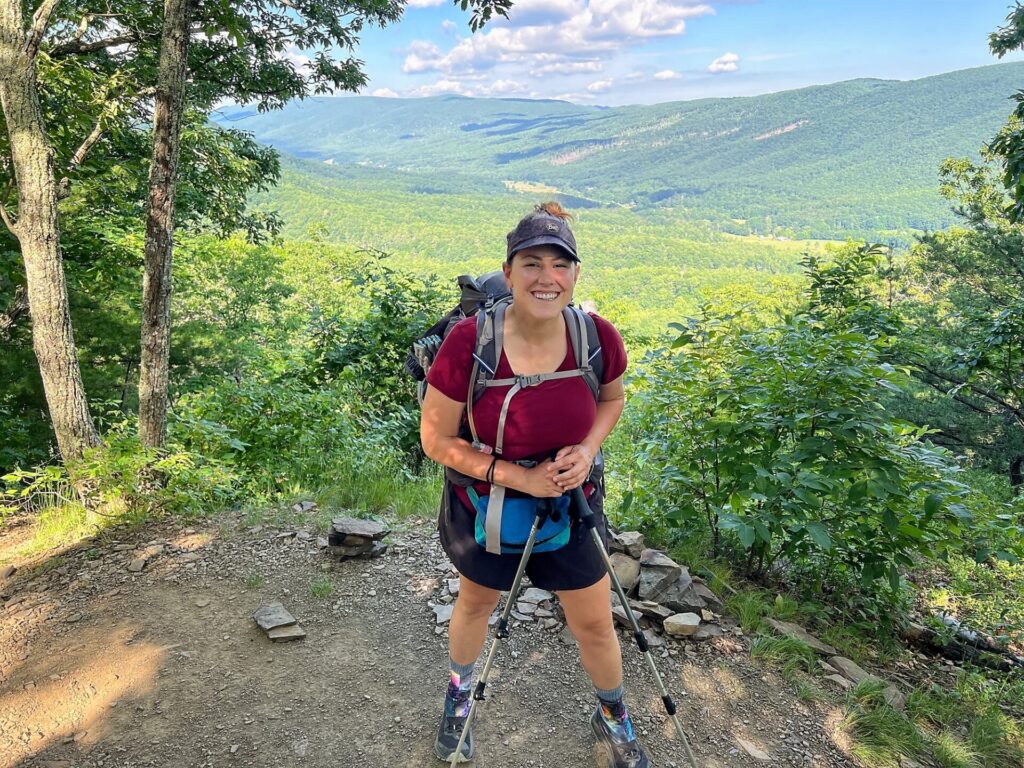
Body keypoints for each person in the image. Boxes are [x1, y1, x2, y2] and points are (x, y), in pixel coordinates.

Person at [420, 202, 651, 767]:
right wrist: (518, 474)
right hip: (488, 499)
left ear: (575, 274)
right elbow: (435, 441)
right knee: (475, 604)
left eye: (560, 264)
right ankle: (459, 698)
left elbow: (612, 399)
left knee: (593, 620)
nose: (546, 278)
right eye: (532, 263)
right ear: (509, 269)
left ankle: (614, 713)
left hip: (572, 502)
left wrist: (588, 450)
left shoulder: (597, 337)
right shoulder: (470, 344)